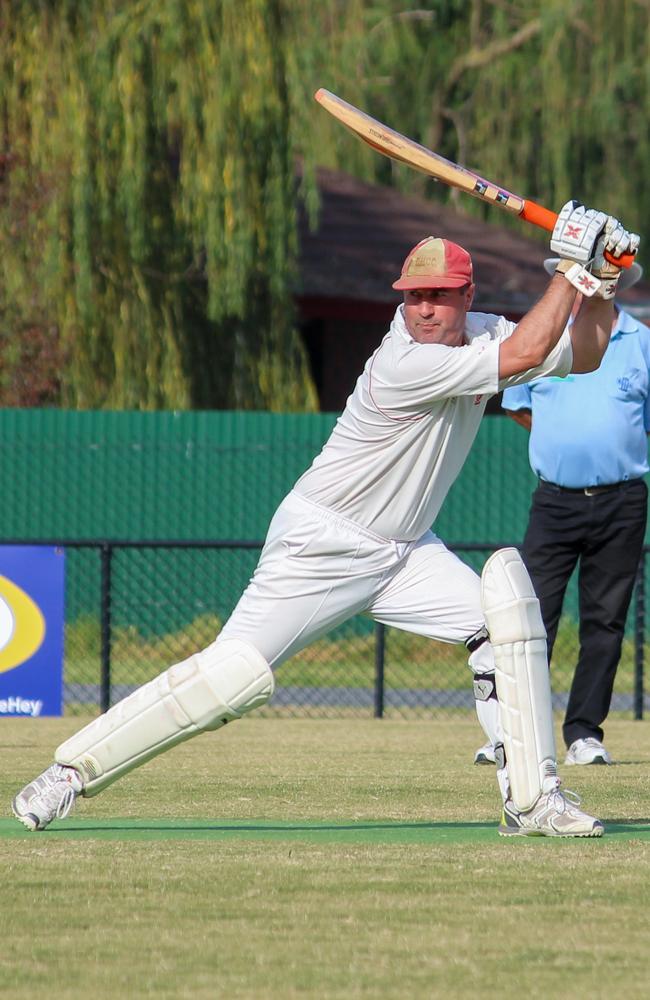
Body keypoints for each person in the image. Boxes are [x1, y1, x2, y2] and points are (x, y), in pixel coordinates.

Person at [12, 201, 639, 838]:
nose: (424, 308)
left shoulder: (483, 332)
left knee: (502, 624)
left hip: (405, 552)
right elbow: (530, 348)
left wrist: (601, 281)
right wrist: (569, 267)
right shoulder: (405, 361)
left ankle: (533, 799)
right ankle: (68, 774)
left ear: (466, 294)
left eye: (439, 296)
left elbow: (582, 354)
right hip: (324, 541)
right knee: (230, 678)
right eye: (414, 295)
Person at [491, 259, 649, 767]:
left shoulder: (642, 343)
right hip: (554, 500)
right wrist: (564, 446)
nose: (592, 286)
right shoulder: (542, 341)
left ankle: (584, 733)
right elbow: (517, 405)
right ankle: (511, 733)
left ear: (616, 286)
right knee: (530, 618)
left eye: (602, 279)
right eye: (584, 276)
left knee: (604, 622)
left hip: (622, 500)